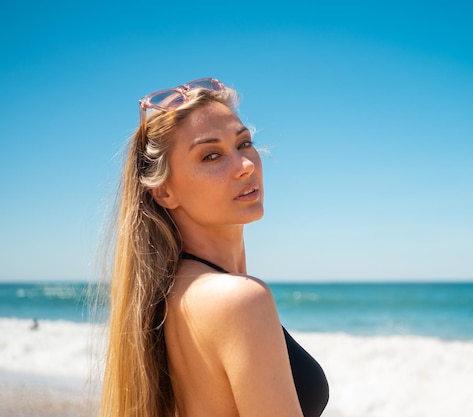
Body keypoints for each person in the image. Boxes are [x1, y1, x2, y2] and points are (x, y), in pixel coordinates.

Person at [99, 78, 329, 417]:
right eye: (211, 155)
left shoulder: (168, 295)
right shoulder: (239, 300)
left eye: (244, 143)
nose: (246, 165)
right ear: (163, 191)